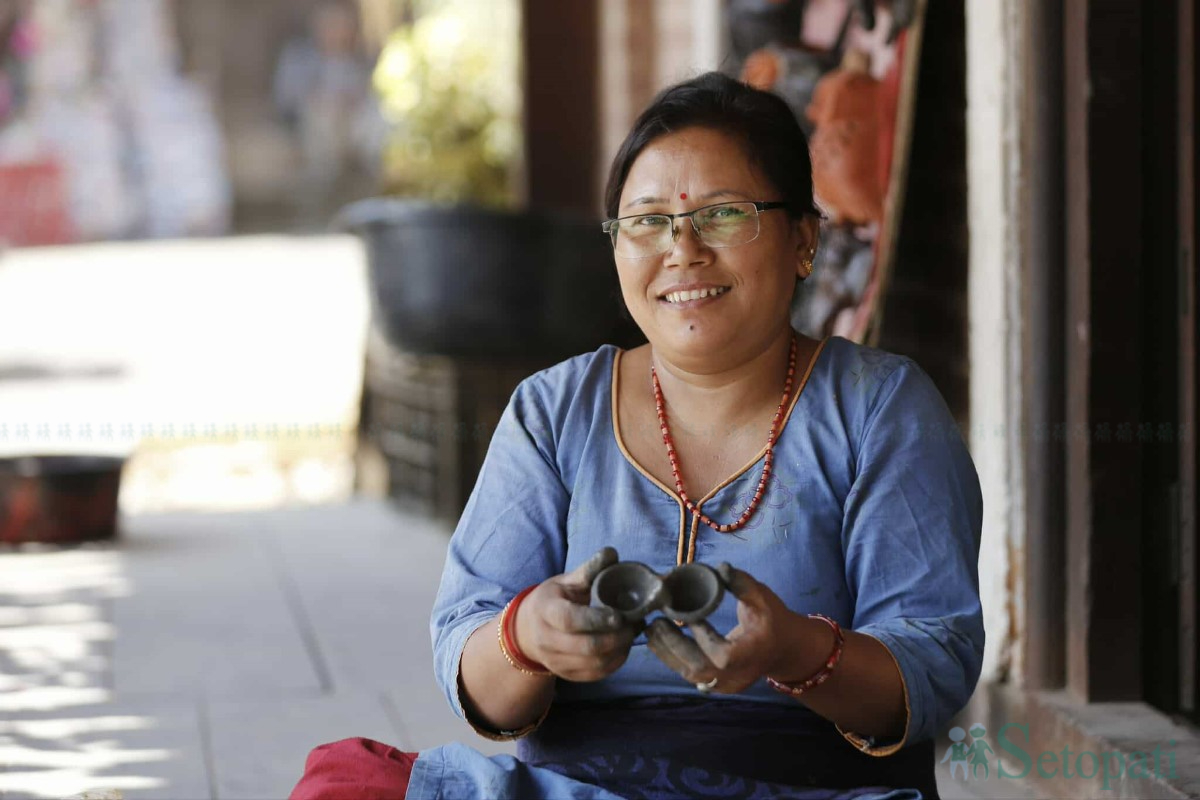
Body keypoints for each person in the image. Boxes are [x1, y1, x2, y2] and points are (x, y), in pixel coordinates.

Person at [290, 72, 983, 800]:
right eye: (648, 221)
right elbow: (475, 672)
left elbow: (932, 668)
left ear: (803, 240)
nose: (682, 249)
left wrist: (795, 648)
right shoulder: (555, 411)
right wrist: (528, 639)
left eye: (722, 214)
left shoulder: (879, 407)